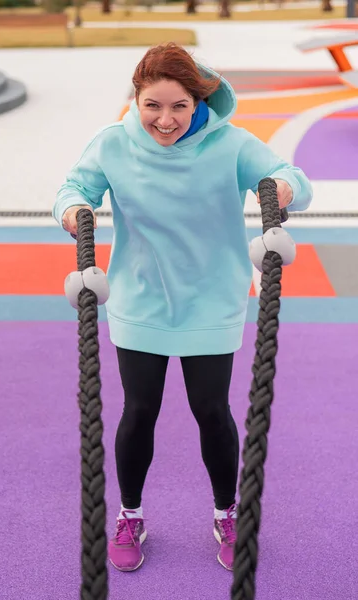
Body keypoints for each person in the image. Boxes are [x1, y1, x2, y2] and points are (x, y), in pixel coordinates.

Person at [53, 43, 312, 573]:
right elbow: (73, 187)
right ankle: (130, 515)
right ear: (137, 99)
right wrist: (74, 209)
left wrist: (280, 188)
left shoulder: (232, 145)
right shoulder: (112, 144)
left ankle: (226, 513)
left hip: (211, 298)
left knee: (211, 410)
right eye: (153, 105)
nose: (165, 120)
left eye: (179, 106)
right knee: (139, 410)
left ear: (198, 103)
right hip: (139, 297)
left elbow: (294, 177)